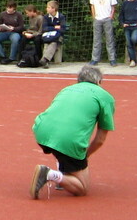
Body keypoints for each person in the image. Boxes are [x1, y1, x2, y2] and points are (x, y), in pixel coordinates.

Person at [29, 65, 116, 199]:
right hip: (67, 140)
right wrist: (84, 156)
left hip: (41, 130)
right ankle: (50, 174)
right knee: (82, 188)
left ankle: (64, 172)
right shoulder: (105, 96)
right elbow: (100, 140)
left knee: (62, 149)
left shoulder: (66, 89)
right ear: (99, 82)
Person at [89, 0, 118, 66]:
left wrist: (111, 16)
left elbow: (113, 6)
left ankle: (112, 59)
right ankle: (94, 59)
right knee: (96, 40)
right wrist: (94, 16)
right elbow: (92, 5)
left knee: (109, 39)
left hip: (107, 19)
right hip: (97, 19)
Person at [0, 0, 24, 64]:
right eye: (7, 7)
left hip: (14, 32)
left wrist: (13, 28)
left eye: (10, 8)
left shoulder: (18, 15)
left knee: (15, 39)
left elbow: (21, 27)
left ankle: (12, 57)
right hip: (4, 32)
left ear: (14, 8)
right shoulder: (3, 14)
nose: (9, 9)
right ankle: (3, 56)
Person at [39, 1, 68, 65]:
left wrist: (51, 28)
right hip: (48, 35)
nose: (46, 9)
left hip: (58, 36)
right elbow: (44, 28)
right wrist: (55, 27)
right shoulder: (46, 17)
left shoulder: (61, 17)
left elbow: (62, 29)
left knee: (54, 42)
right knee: (47, 43)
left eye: (48, 7)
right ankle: (45, 60)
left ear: (53, 9)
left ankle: (45, 59)